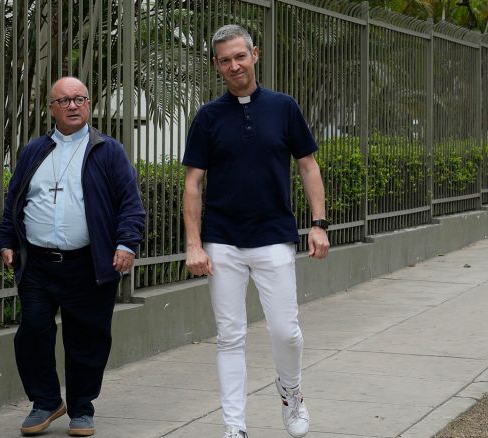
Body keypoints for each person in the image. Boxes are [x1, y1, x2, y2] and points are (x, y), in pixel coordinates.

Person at [183, 25, 330, 438]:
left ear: (255, 55)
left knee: (286, 331)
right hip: (223, 240)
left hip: (273, 237)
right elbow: (193, 183)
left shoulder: (284, 108)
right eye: (225, 60)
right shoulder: (207, 117)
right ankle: (234, 426)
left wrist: (318, 224)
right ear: (217, 66)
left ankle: (291, 392)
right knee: (230, 336)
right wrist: (194, 244)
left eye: (240, 56)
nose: (234, 66)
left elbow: (308, 166)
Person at [0, 76, 145, 437]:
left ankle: (81, 407)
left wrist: (126, 244)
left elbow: (130, 204)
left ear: (89, 104)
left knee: (87, 338)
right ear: (51, 109)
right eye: (64, 101)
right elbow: (14, 199)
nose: (73, 105)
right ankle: (46, 401)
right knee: (32, 332)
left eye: (80, 98)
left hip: (87, 263)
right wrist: (6, 240)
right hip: (38, 264)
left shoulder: (107, 150)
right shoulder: (33, 150)